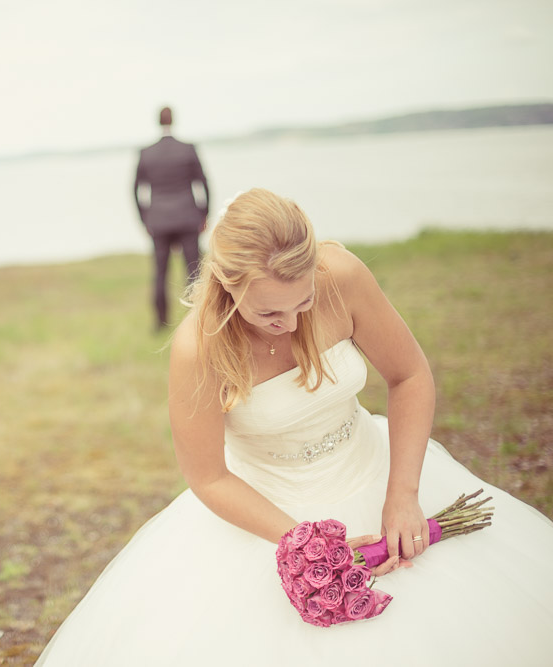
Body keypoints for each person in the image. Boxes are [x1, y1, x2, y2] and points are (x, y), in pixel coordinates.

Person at [36, 188, 553, 665]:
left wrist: (403, 493)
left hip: (375, 472)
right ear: (226, 283)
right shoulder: (200, 346)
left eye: (303, 302)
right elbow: (209, 478)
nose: (291, 322)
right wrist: (308, 546)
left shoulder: (341, 276)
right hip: (268, 514)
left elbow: (410, 375)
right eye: (269, 312)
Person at [134, 106, 210, 330]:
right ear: (173, 120)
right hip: (188, 217)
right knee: (194, 272)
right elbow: (203, 183)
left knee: (159, 273)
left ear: (157, 121)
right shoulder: (188, 149)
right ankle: (201, 319)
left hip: (158, 221)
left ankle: (160, 323)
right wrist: (203, 214)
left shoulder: (146, 153)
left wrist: (145, 218)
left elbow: (136, 190)